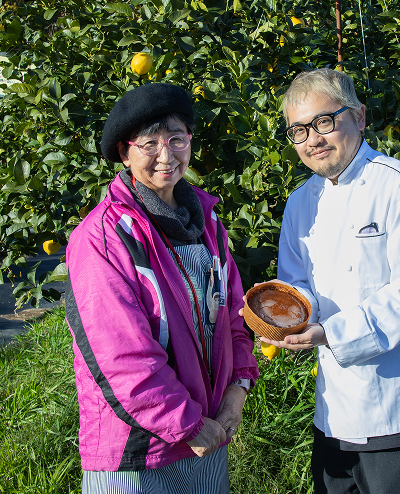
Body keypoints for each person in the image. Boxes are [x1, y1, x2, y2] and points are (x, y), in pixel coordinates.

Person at [264, 68, 400, 493]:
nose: (313, 139)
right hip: (336, 413)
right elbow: (297, 286)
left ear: (360, 118)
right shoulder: (300, 205)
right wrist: (285, 316)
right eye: (298, 130)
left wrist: (328, 334)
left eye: (324, 122)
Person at [65, 82, 258, 494]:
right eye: (149, 143)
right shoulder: (104, 237)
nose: (166, 156)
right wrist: (184, 423)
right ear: (125, 152)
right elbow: (120, 355)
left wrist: (238, 389)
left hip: (206, 438)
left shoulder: (207, 224)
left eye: (176, 139)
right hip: (141, 450)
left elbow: (233, 316)